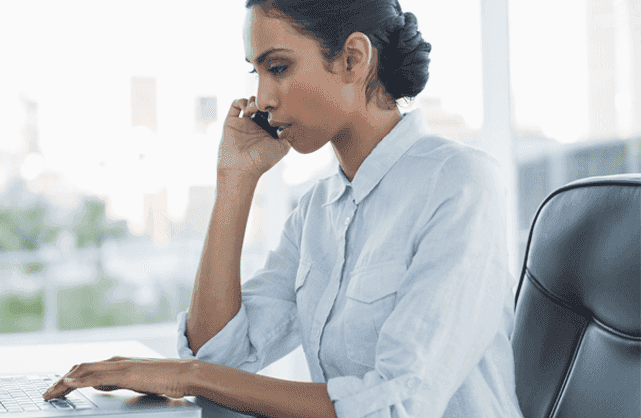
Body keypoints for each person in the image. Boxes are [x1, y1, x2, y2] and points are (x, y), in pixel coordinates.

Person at [43, 0, 524, 416]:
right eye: (255, 72)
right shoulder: (319, 209)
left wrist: (185, 376)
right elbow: (221, 357)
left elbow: (397, 406)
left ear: (353, 59)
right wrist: (235, 182)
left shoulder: (459, 183)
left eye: (278, 68)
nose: (263, 98)